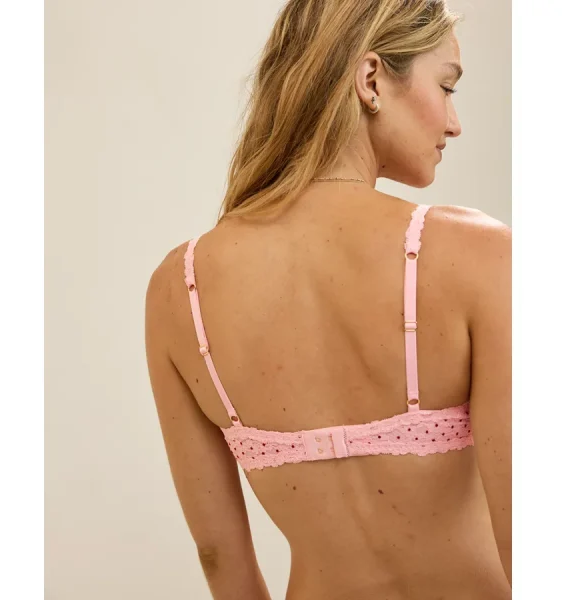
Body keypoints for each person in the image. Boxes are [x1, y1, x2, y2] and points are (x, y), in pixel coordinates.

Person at [145, 1, 511, 598]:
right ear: (371, 80)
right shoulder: (479, 255)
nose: (454, 123)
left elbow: (220, 559)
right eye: (446, 87)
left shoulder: (177, 288)